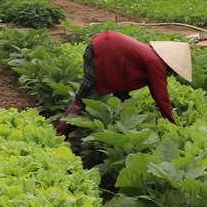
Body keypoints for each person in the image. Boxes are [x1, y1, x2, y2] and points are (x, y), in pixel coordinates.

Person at [55, 31, 193, 136]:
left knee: (122, 98)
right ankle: (59, 135)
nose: (171, 75)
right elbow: (161, 97)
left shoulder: (152, 57)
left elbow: (154, 90)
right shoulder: (156, 63)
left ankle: (115, 128)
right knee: (82, 98)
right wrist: (172, 125)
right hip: (101, 51)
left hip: (107, 51)